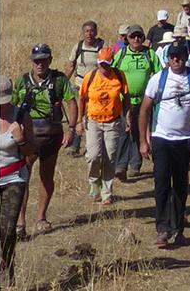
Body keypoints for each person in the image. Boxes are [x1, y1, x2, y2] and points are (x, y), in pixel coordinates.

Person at [139, 40, 190, 248]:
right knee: (161, 183)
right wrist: (144, 141)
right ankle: (163, 229)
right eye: (172, 56)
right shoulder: (158, 79)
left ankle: (179, 228)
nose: (176, 59)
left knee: (180, 185)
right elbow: (144, 109)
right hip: (161, 138)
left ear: (185, 56)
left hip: (184, 140)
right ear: (167, 58)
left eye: (179, 56)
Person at [13, 44, 78, 238]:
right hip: (27, 138)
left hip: (52, 136)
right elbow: (12, 104)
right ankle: (20, 222)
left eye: (43, 59)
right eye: (36, 60)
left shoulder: (59, 80)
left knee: (46, 177)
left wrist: (72, 129)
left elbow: (72, 102)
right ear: (31, 62)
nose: (40, 64)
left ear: (50, 60)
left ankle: (41, 217)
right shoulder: (22, 81)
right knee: (22, 178)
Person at [78, 47, 130, 205]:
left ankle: (106, 193)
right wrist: (80, 119)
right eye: (101, 64)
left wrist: (127, 117)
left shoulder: (119, 76)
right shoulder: (90, 77)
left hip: (112, 122)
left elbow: (125, 97)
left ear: (111, 62)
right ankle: (94, 183)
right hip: (93, 121)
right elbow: (81, 98)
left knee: (110, 157)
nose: (104, 67)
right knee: (93, 155)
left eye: (107, 64)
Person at [113, 25, 160, 180]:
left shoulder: (150, 54)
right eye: (133, 36)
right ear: (127, 38)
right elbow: (111, 73)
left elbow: (159, 74)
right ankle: (120, 166)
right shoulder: (121, 54)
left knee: (139, 131)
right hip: (123, 101)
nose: (136, 39)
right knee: (124, 132)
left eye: (139, 36)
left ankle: (135, 165)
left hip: (144, 100)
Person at [0, 76, 35, 288]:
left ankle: (6, 265)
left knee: (6, 229)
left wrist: (20, 138)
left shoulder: (21, 116)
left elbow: (31, 151)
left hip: (14, 178)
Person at [64, 20, 104, 155]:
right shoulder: (78, 46)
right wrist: (63, 84)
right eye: (86, 31)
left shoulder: (102, 46)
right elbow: (71, 66)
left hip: (96, 87)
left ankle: (93, 144)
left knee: (92, 115)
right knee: (77, 115)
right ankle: (75, 145)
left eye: (92, 31)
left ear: (96, 32)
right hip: (79, 85)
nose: (89, 34)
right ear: (83, 33)